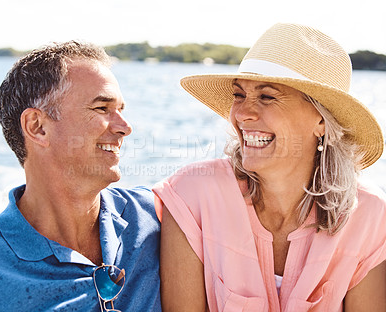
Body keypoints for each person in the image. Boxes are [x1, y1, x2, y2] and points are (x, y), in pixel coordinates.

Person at [153, 23, 386, 311]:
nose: (242, 113)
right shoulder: (192, 196)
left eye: (267, 96)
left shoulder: (369, 215)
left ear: (321, 121)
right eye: (239, 95)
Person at [0, 41, 161, 311]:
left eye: (121, 110)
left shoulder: (158, 216)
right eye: (102, 108)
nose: (125, 128)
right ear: (38, 127)